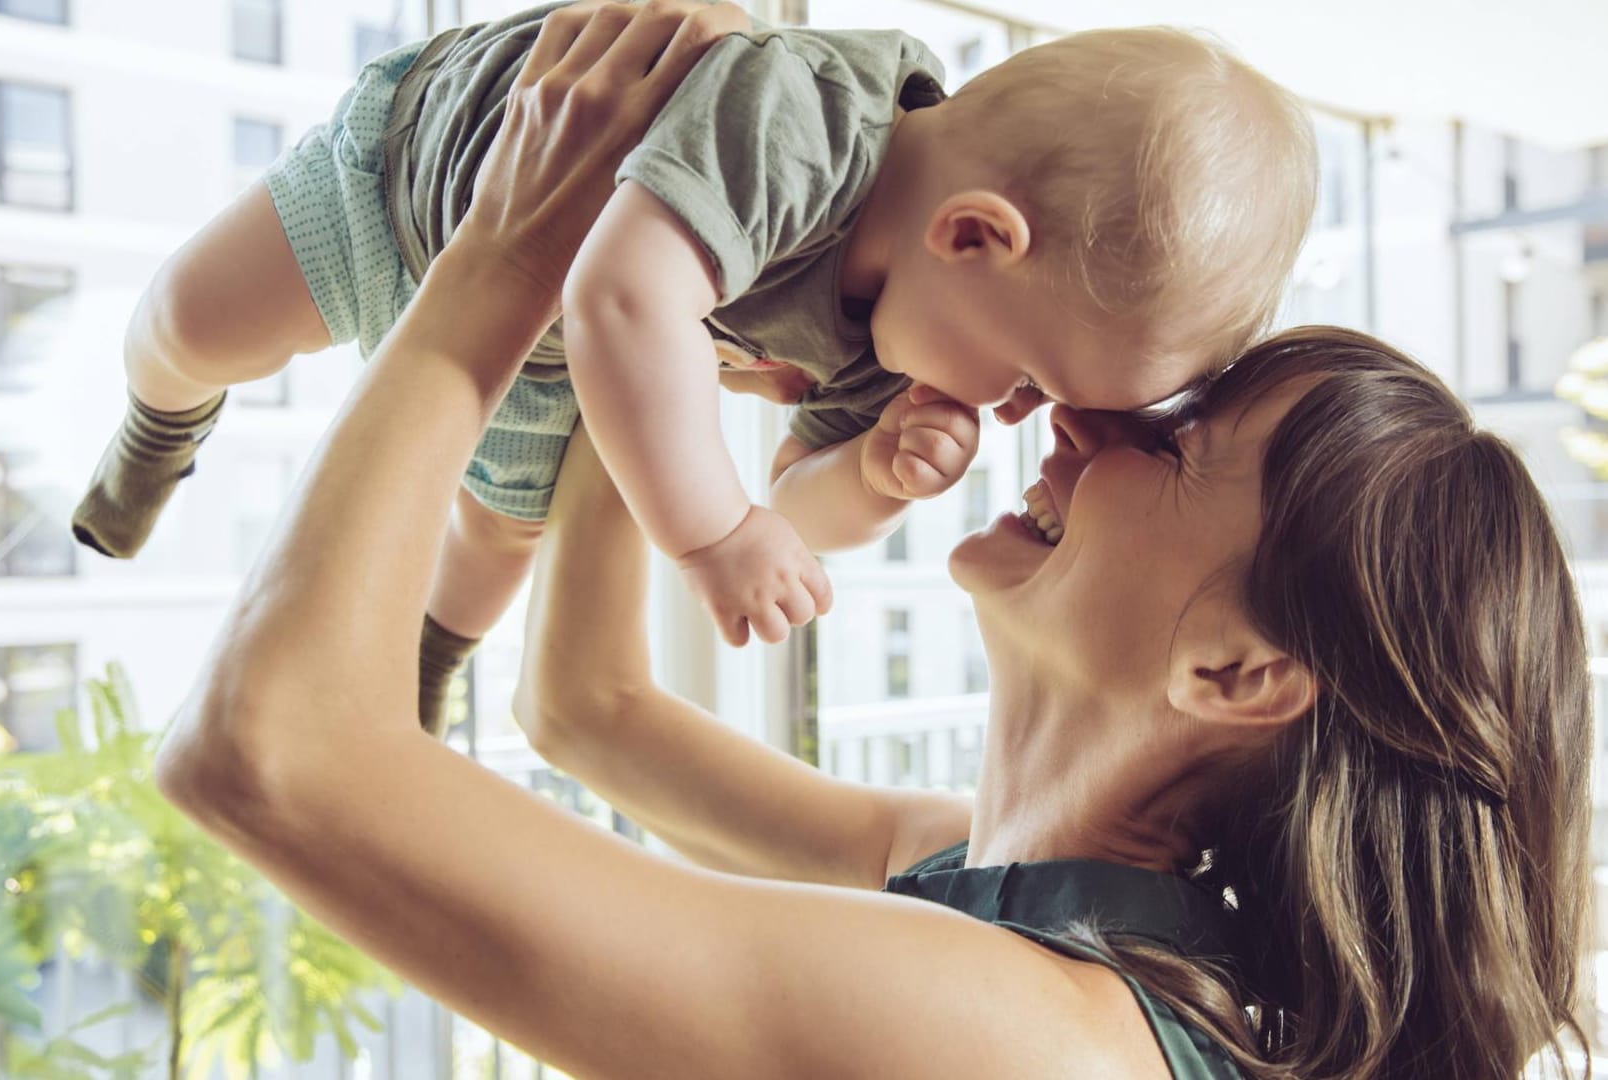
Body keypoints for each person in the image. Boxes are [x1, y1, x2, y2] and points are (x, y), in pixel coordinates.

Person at [155, 4, 1589, 1077]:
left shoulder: (1027, 1039)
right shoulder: (1009, 899)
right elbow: (588, 711)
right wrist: (671, 268)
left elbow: (268, 752)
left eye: (1168, 442)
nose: (1069, 431)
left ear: (1237, 673)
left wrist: (503, 256)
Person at [74, 0, 1319, 733]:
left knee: (499, 539)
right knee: (191, 318)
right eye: (1029, 379)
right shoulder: (804, 121)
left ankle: (428, 660)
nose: (1006, 416)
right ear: (976, 235)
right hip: (411, 194)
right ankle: (157, 426)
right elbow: (624, 293)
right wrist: (710, 538)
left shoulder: (907, 334)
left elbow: (792, 501)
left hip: (543, 359)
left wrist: (873, 477)